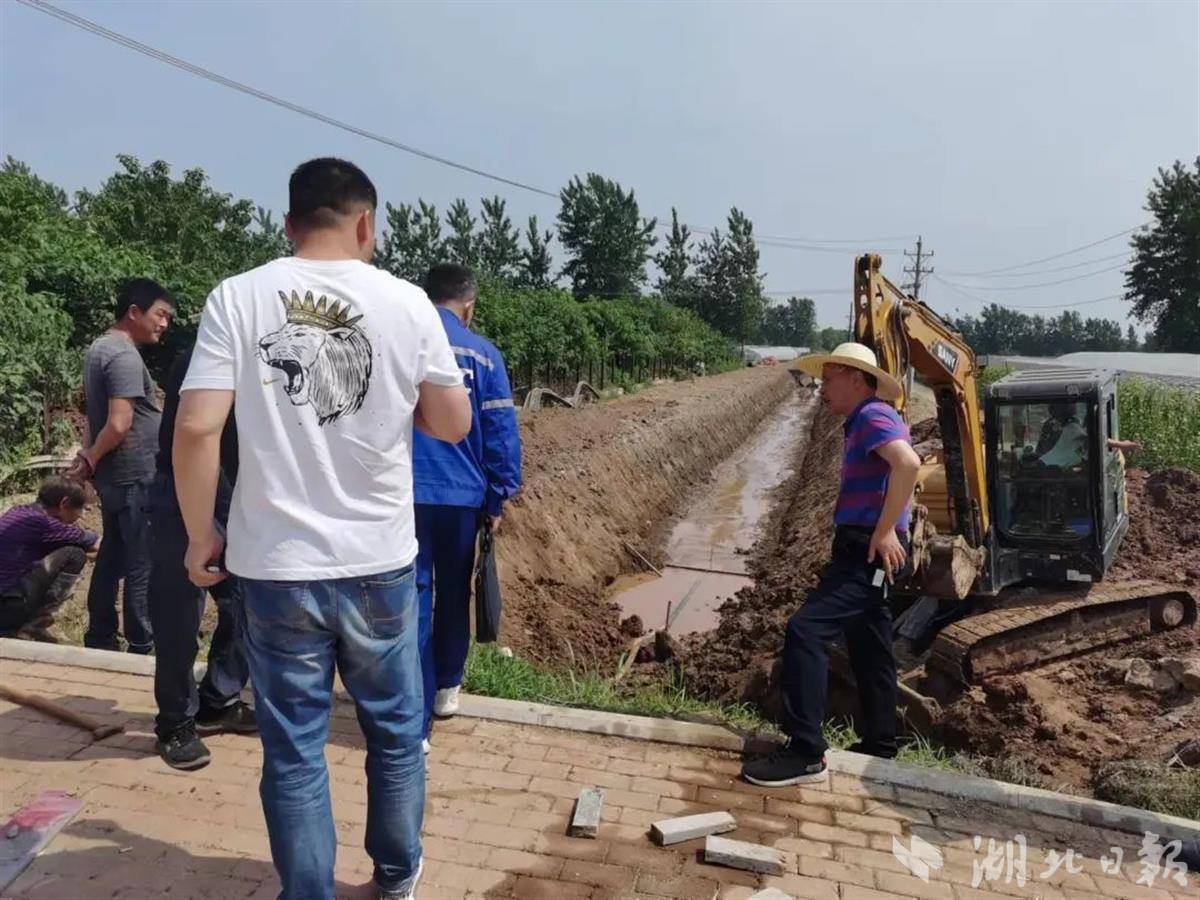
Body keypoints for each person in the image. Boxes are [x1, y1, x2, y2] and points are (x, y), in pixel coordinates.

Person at [173, 157, 470, 900]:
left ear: (288, 225)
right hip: (378, 565)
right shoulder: (410, 305)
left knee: (295, 748)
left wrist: (198, 535)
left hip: (274, 568)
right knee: (396, 735)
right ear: (366, 223)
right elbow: (452, 423)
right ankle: (397, 875)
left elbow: (197, 428)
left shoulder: (237, 297)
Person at [742, 343, 920, 787]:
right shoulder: (866, 418)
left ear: (856, 379)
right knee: (870, 645)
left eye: (830, 378)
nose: (823, 387)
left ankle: (805, 752)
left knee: (806, 630)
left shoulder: (871, 416)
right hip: (866, 547)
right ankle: (880, 744)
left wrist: (882, 533)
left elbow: (909, 465)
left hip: (865, 549)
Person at [412, 263, 522, 746]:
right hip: (461, 497)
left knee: (408, 598)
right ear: (469, 304)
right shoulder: (483, 355)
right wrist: (498, 493)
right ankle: (446, 688)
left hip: (404, 494)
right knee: (454, 592)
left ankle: (412, 717)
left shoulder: (401, 343)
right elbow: (499, 434)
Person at [148, 343, 254, 771]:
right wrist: (202, 527)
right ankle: (175, 721)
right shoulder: (203, 354)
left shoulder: (263, 351)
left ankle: (217, 698)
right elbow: (192, 436)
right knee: (180, 611)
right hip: (185, 488)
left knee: (246, 600)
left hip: (238, 492)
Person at [72, 278, 175, 653]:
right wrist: (91, 458)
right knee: (141, 563)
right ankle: (142, 643)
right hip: (135, 475)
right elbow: (118, 423)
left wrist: (91, 460)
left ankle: (99, 637)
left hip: (115, 477)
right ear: (134, 312)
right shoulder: (124, 355)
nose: (164, 324)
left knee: (112, 556)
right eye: (160, 314)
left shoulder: (100, 347)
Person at [0, 477, 99, 638]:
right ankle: (33, 626)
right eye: (80, 509)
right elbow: (96, 544)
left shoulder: (16, 512)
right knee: (75, 553)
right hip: (7, 609)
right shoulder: (45, 524)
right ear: (64, 503)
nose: (81, 516)